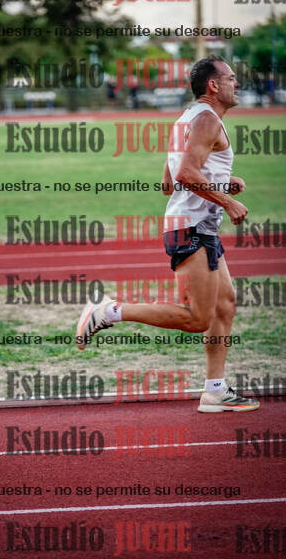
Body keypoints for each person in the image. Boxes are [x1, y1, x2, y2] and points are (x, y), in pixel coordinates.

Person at [76, 55, 260, 413]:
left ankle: (215, 390)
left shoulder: (188, 117)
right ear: (213, 85)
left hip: (197, 227)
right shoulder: (206, 120)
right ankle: (108, 311)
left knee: (224, 305)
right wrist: (229, 202)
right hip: (191, 229)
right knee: (196, 318)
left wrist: (223, 182)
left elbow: (168, 180)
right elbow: (186, 174)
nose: (236, 83)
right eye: (231, 78)